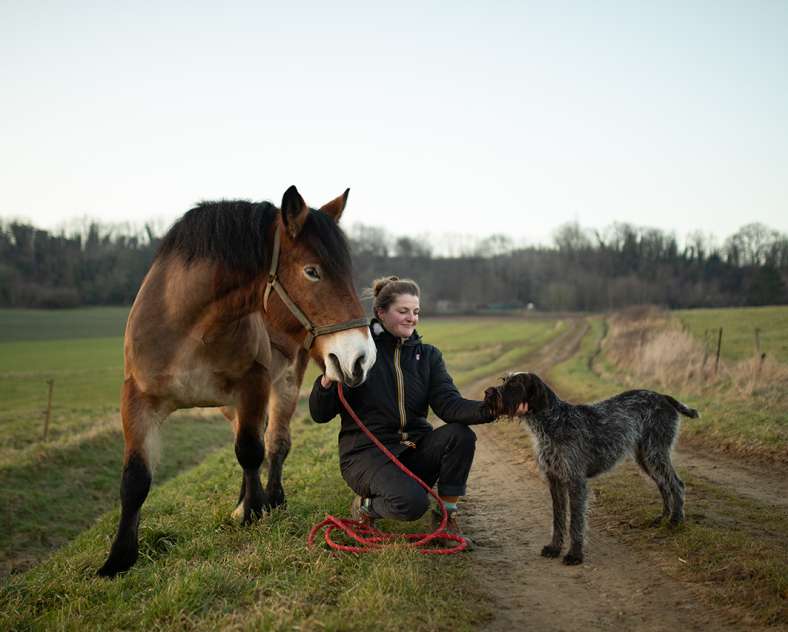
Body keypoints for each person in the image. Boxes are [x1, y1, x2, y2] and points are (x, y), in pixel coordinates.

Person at [309, 276, 496, 545]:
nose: (411, 318)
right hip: (367, 456)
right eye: (403, 311)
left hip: (413, 449)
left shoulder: (428, 356)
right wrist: (326, 381)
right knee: (410, 505)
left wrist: (496, 408)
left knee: (460, 435)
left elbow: (450, 406)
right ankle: (366, 506)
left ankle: (446, 519)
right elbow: (320, 414)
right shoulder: (359, 355)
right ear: (381, 313)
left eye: (416, 312)